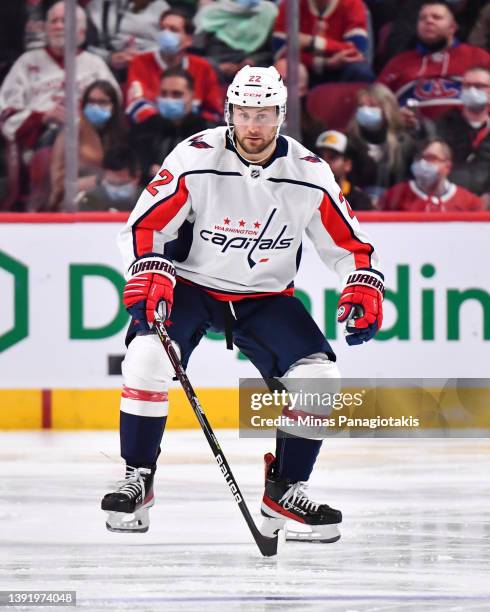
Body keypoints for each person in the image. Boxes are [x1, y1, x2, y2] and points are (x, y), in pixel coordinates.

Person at [101, 65, 384, 542]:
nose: (254, 125)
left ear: (281, 116)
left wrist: (361, 280)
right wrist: (148, 266)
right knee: (145, 359)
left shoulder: (310, 172)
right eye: (245, 113)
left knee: (319, 379)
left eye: (265, 114)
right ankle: (138, 479)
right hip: (191, 285)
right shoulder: (195, 156)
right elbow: (146, 224)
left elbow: (349, 245)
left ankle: (286, 492)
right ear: (230, 112)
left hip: (264, 296)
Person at [0, 1, 120, 209]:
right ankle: (46, 207)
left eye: (64, 21)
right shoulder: (27, 62)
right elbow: (6, 111)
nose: (57, 26)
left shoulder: (95, 65)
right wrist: (42, 117)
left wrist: (83, 119)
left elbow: (114, 107)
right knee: (50, 151)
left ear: (81, 30)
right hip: (40, 139)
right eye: (53, 21)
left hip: (88, 140)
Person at [378, 1, 490, 120]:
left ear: (452, 27)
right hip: (412, 133)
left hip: (470, 130)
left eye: (437, 17)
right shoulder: (398, 62)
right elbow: (376, 101)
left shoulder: (478, 56)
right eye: (422, 18)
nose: (429, 21)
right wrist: (395, 117)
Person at [126, 8, 223, 124]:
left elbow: (214, 111)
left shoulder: (203, 67)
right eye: (162, 29)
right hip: (152, 132)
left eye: (173, 30)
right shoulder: (140, 62)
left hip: (193, 133)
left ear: (188, 39)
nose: (165, 34)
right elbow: (135, 104)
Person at [49, 79, 128, 210]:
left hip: (117, 200)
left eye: (102, 102)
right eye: (91, 102)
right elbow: (59, 185)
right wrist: (99, 181)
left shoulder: (123, 134)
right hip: (77, 201)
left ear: (114, 106)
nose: (96, 107)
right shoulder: (70, 134)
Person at [130, 67, 214, 183]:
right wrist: (147, 169)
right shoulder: (143, 129)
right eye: (164, 93)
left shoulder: (209, 132)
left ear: (192, 95)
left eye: (177, 94)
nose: (169, 99)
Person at [273, 0, 374, 85]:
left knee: (360, 70)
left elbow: (356, 51)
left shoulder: (353, 4)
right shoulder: (289, 4)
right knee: (284, 67)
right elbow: (280, 52)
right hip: (304, 67)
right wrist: (325, 63)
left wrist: (312, 42)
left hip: (341, 68)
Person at [346, 83, 414, 204]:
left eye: (372, 106)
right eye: (361, 106)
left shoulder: (404, 143)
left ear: (387, 108)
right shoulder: (348, 142)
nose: (366, 110)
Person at [378, 137, 483, 211]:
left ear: (447, 166)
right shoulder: (394, 196)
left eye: (431, 158)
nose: (423, 163)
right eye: (419, 158)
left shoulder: (469, 202)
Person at [435, 66, 490, 199]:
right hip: (450, 200)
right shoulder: (442, 126)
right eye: (467, 85)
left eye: (479, 86)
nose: (472, 90)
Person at [193, 0, 278, 82]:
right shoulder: (210, 12)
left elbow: (270, 51)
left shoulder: (268, 11)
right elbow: (196, 52)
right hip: (214, 68)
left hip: (252, 73)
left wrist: (251, 61)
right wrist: (217, 67)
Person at [315, 130, 373, 210]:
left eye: (332, 157)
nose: (324, 162)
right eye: (319, 157)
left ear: (347, 165)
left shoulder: (360, 201)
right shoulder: (308, 196)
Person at [79, 146, 142, 211]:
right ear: (104, 177)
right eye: (111, 183)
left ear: (137, 177)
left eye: (121, 184)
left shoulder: (149, 201)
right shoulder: (89, 200)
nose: (116, 188)